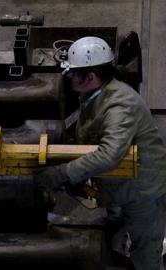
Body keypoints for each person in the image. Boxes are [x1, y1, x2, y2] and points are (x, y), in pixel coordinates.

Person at [34, 37, 166, 270]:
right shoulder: (95, 93)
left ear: (91, 77)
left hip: (142, 190)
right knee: (116, 217)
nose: (69, 78)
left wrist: (63, 173)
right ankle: (117, 227)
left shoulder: (120, 105)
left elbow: (109, 154)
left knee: (145, 249)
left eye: (74, 73)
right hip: (119, 184)